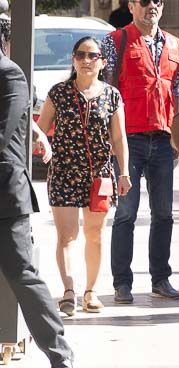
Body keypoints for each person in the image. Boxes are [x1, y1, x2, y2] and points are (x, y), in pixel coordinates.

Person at [0, 15, 74, 368]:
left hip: (4, 195)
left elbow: (3, 133)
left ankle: (60, 355)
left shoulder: (10, 74)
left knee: (21, 275)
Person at [101, 0, 179, 304]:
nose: (152, 7)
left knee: (164, 213)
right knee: (126, 213)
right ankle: (122, 282)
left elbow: (176, 91)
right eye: (145, 1)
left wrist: (178, 137)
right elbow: (107, 92)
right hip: (128, 141)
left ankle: (160, 278)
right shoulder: (115, 41)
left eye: (157, 2)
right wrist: (109, 139)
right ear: (132, 6)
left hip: (163, 139)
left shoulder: (176, 45)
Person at [38, 37, 130, 316]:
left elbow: (119, 137)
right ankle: (69, 291)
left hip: (100, 175)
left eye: (92, 55)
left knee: (94, 234)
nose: (86, 60)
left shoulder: (112, 95)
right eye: (80, 55)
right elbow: (41, 128)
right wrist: (43, 144)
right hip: (64, 171)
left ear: (102, 62)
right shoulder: (59, 93)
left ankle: (90, 292)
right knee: (67, 235)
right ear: (73, 60)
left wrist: (124, 171)